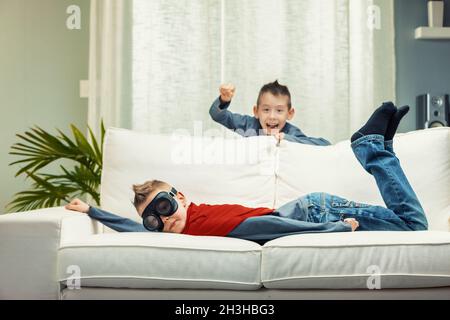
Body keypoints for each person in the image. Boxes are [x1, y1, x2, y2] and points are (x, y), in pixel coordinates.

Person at [66, 102, 428, 244]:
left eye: (162, 208)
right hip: (314, 211)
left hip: (315, 214)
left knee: (414, 227)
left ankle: (373, 147)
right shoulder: (180, 231)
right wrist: (92, 211)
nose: (163, 222)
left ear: (180, 197)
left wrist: (328, 230)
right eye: (153, 222)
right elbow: (130, 228)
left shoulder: (200, 223)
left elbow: (268, 228)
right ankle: (377, 147)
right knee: (412, 225)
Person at [209, 80, 331, 145]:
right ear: (256, 111)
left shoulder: (290, 132)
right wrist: (223, 100)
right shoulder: (248, 124)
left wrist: (287, 139)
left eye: (279, 110)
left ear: (290, 113)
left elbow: (324, 144)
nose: (272, 116)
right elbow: (217, 114)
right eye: (266, 110)